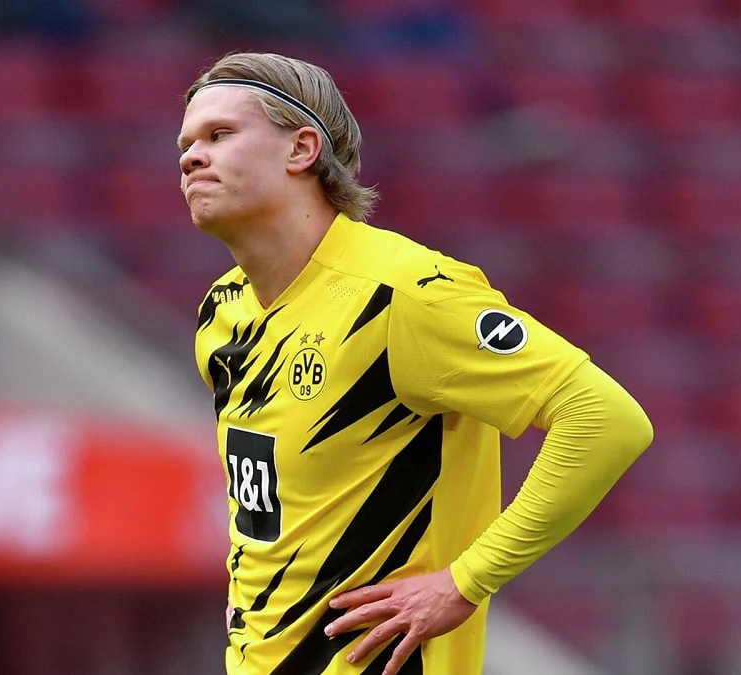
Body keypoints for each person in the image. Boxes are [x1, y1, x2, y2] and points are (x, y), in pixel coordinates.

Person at [179, 52, 653, 675]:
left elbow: (606, 420)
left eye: (219, 135)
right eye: (186, 144)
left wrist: (465, 581)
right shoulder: (223, 312)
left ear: (301, 150)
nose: (191, 158)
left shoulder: (403, 294)